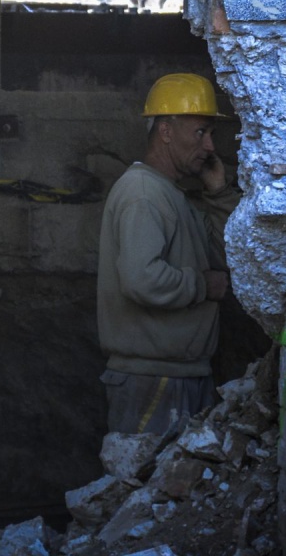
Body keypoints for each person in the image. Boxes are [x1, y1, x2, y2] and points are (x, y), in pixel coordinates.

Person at [96, 73, 241, 437]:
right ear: (165, 131)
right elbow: (142, 279)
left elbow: (228, 255)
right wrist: (202, 285)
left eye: (210, 133)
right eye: (200, 132)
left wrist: (218, 194)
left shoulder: (171, 194)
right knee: (147, 474)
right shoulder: (143, 193)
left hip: (179, 375)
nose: (210, 146)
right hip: (154, 381)